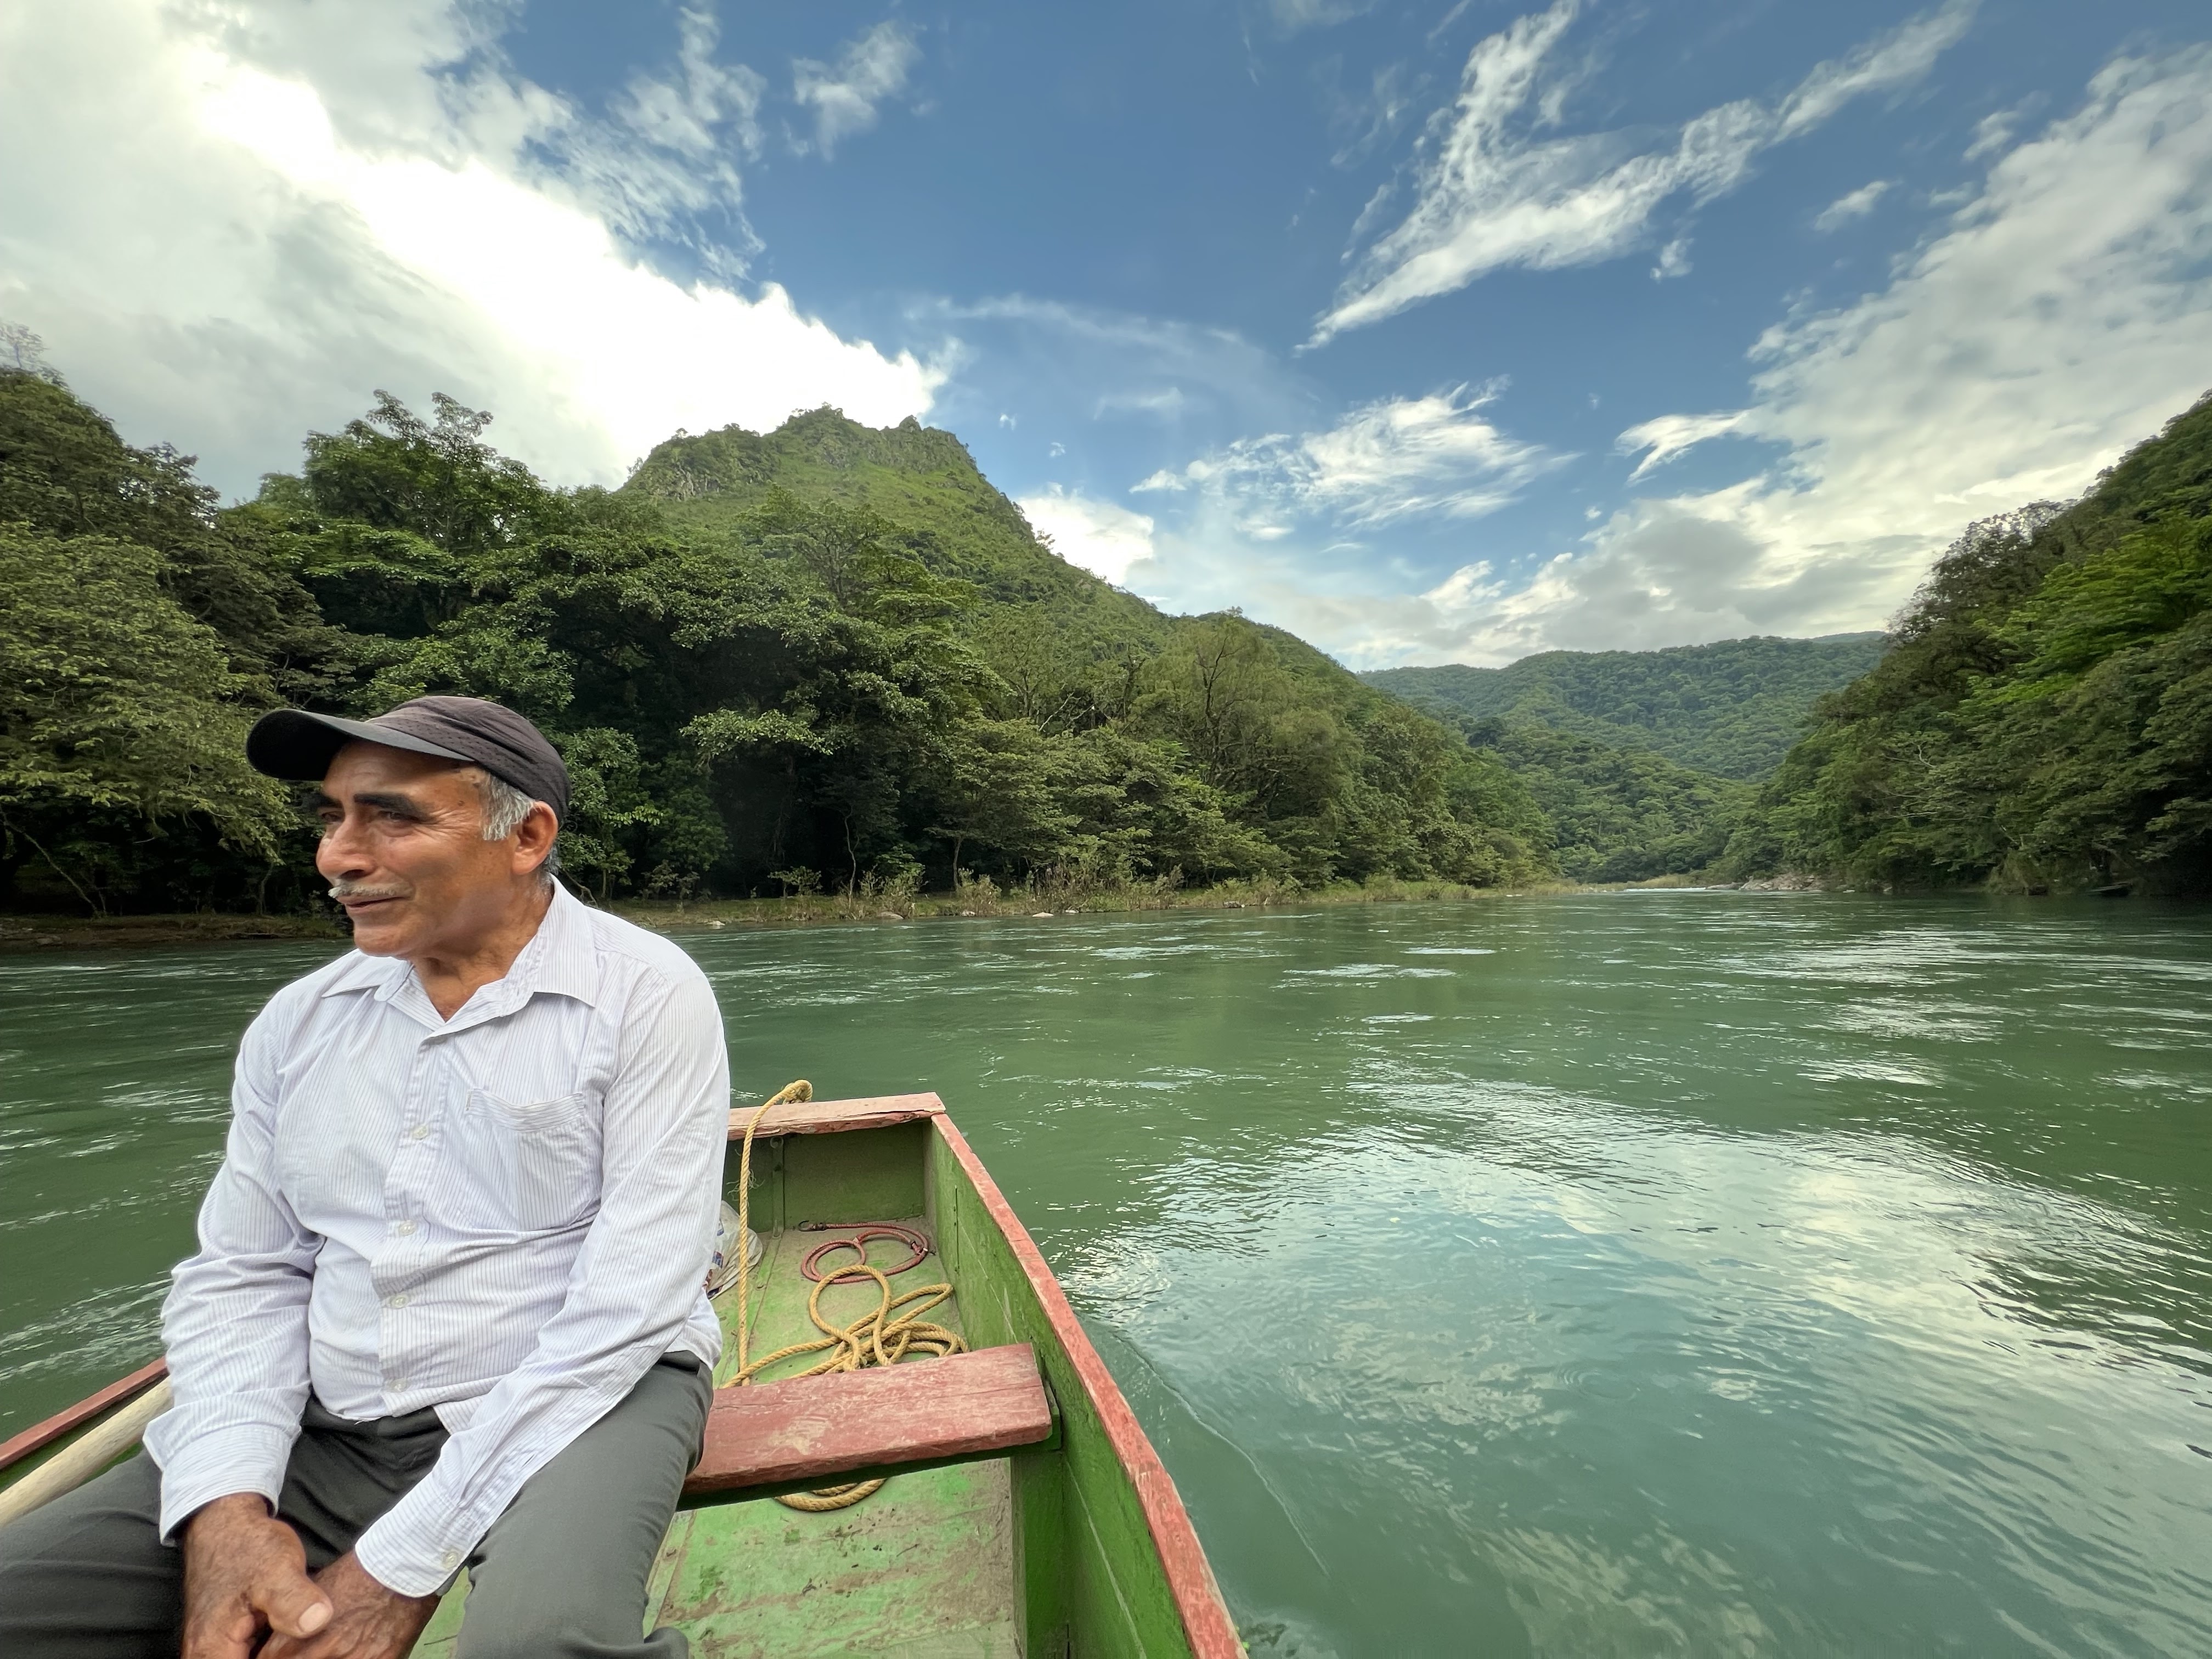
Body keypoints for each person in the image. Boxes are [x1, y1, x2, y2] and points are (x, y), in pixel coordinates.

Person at [0, 696, 731, 1659]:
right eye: (333, 817)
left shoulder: (645, 993)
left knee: (540, 1644)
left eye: (393, 816)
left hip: (593, 1385)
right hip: (336, 1408)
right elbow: (247, 1274)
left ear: (528, 837)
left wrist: (396, 1567)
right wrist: (224, 1509)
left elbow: (630, 1305)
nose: (338, 857)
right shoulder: (299, 1026)